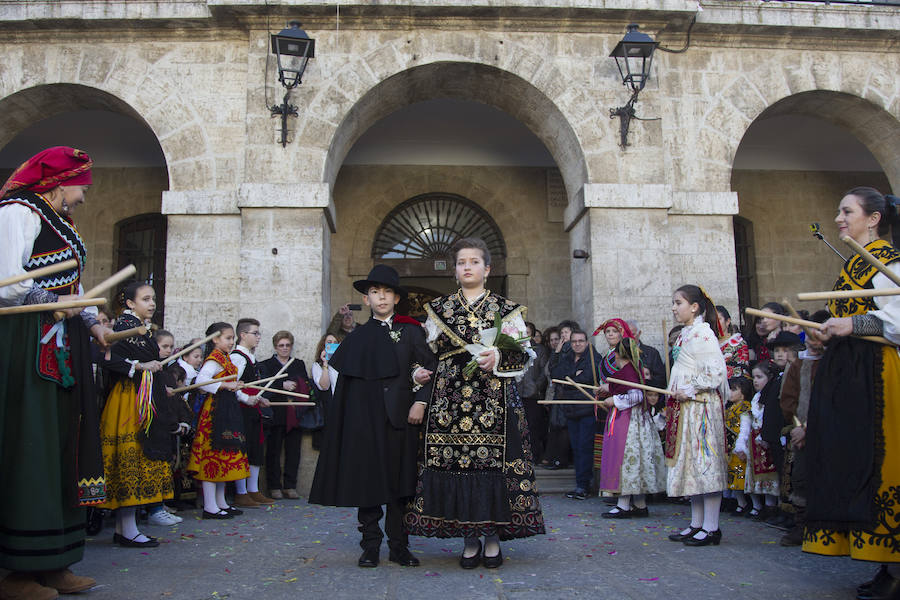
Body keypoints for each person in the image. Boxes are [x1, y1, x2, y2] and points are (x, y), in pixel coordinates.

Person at [0, 147, 109, 600]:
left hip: (60, 340)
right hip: (26, 339)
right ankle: (18, 571)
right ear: (61, 182)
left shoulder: (59, 221)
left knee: (61, 445)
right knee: (33, 446)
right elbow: (6, 280)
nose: (84, 195)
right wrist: (45, 305)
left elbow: (73, 284)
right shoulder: (16, 213)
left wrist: (91, 322)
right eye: (82, 184)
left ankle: (55, 560)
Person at [405, 238, 545, 569]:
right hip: (448, 404)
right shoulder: (437, 310)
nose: (467, 266)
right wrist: (418, 373)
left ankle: (493, 538)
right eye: (461, 262)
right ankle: (469, 539)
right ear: (454, 271)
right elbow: (424, 356)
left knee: (492, 468)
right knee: (457, 466)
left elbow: (525, 354)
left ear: (487, 269)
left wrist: (498, 355)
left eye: (474, 261)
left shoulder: (506, 309)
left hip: (495, 402)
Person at [802, 187, 900, 599]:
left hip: (878, 378)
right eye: (839, 211)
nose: (840, 218)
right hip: (853, 377)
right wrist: (826, 335)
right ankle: (885, 563)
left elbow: (896, 319)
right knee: (855, 462)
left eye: (847, 211)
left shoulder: (888, 262)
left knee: (881, 462)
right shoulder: (857, 265)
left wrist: (852, 326)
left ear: (873, 218)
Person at [309, 265, 436, 569]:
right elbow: (346, 388)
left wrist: (419, 403)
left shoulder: (411, 332)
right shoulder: (357, 337)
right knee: (367, 485)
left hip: (401, 421)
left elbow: (431, 371)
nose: (381, 297)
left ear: (396, 298)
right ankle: (370, 546)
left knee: (400, 486)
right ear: (366, 299)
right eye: (375, 292)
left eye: (387, 292)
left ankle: (399, 546)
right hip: (364, 424)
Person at [664, 285, 729, 547]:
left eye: (678, 302)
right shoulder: (686, 334)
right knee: (692, 466)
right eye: (673, 302)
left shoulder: (703, 334)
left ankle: (712, 527)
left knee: (705, 465)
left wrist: (688, 389)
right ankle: (697, 523)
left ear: (694, 307)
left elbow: (715, 374)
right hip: (686, 408)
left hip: (700, 407)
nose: (673, 307)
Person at [597, 337, 667, 518]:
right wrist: (608, 388)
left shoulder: (628, 371)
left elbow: (636, 396)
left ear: (618, 354)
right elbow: (623, 387)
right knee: (635, 462)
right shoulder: (631, 370)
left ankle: (624, 505)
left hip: (629, 422)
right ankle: (639, 504)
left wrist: (615, 400)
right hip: (632, 420)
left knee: (627, 460)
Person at [186, 323, 249, 519]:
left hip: (227, 411)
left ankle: (221, 502)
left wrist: (244, 393)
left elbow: (230, 387)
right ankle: (210, 506)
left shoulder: (225, 358)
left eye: (232, 338)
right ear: (215, 339)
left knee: (223, 456)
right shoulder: (213, 359)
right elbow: (201, 382)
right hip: (214, 414)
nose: (232, 342)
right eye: (228, 338)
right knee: (211, 458)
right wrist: (225, 384)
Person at [778, 310, 827, 546]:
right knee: (802, 478)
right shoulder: (798, 364)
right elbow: (788, 399)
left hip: (829, 431)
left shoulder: (832, 363)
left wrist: (813, 427)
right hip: (801, 434)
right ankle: (802, 526)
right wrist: (798, 428)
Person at [259, 330, 312, 500]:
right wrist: (282, 384)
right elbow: (264, 385)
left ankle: (290, 486)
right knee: (273, 451)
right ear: (275, 347)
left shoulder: (298, 363)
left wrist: (297, 385)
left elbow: (305, 383)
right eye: (281, 345)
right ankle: (274, 486)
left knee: (294, 451)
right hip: (275, 413)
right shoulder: (266, 364)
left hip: (294, 413)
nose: (284, 348)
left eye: (287, 345)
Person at [550, 328, 601, 500]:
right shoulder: (568, 358)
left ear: (586, 342)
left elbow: (588, 377)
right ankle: (581, 484)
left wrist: (569, 379)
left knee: (585, 448)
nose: (577, 344)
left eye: (580, 341)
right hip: (571, 409)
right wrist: (573, 377)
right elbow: (555, 374)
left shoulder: (594, 358)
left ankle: (584, 485)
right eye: (574, 342)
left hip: (587, 409)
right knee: (577, 448)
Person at [230, 318, 275, 509]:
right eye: (255, 333)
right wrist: (245, 398)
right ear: (243, 335)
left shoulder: (249, 357)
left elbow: (250, 387)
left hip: (252, 410)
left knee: (255, 448)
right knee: (244, 449)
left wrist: (259, 398)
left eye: (258, 333)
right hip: (241, 411)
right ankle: (241, 493)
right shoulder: (238, 358)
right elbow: (232, 385)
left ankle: (253, 489)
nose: (258, 337)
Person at [737, 360, 780, 520]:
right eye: (754, 377)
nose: (755, 381)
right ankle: (759, 506)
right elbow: (746, 423)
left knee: (771, 474)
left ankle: (772, 507)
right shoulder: (755, 399)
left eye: (759, 377)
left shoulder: (771, 397)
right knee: (755, 474)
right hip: (754, 443)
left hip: (767, 440)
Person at [725, 377, 753, 515]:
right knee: (733, 477)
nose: (729, 392)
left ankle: (754, 505)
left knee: (742, 476)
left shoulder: (745, 407)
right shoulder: (730, 409)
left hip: (740, 446)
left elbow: (745, 428)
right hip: (730, 448)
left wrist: (741, 446)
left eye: (733, 389)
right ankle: (741, 503)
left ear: (743, 392)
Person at [627, 319, 667, 390]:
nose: (629, 338)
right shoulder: (619, 354)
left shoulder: (652, 353)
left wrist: (646, 379)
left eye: (632, 334)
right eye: (626, 334)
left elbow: (660, 380)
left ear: (639, 333)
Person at [717, 306, 750, 380]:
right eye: (712, 320)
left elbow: (741, 371)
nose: (715, 323)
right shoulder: (706, 342)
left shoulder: (739, 343)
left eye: (719, 319)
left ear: (728, 321)